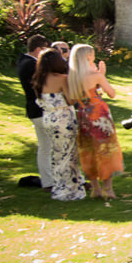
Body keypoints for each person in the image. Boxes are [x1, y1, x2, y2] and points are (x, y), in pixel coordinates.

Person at [66, 44, 122, 199]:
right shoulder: (94, 75)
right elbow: (111, 93)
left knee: (88, 149)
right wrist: (102, 76)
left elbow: (72, 99)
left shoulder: (72, 76)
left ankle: (95, 189)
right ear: (88, 57)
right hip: (99, 115)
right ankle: (108, 189)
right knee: (105, 148)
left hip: (83, 114)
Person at [33, 49, 85, 202]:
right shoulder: (62, 78)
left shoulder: (39, 79)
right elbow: (71, 100)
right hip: (63, 119)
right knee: (68, 154)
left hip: (48, 118)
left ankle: (59, 186)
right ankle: (68, 190)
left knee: (57, 154)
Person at [15, 34, 51, 189]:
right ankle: (50, 181)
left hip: (35, 110)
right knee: (48, 147)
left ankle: (49, 180)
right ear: (38, 50)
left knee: (45, 146)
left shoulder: (25, 61)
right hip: (40, 110)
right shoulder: (31, 65)